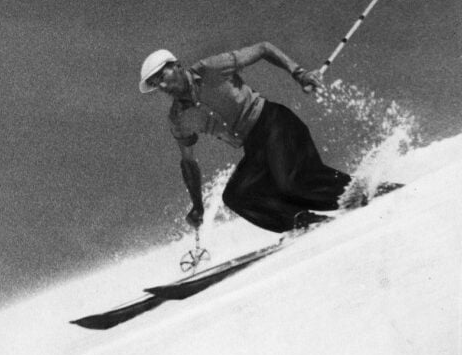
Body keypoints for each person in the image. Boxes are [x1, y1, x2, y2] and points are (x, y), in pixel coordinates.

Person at [139, 43, 352, 232]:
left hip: (274, 122)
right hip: (254, 145)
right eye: (157, 84)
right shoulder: (178, 118)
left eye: (163, 77)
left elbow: (263, 49)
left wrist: (299, 74)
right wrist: (197, 205)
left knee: (290, 183)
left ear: (176, 65)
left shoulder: (210, 68)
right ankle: (302, 221)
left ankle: (357, 192)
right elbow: (188, 162)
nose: (163, 86)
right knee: (237, 195)